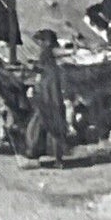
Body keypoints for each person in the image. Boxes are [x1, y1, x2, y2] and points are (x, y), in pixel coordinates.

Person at [25, 31, 71, 167]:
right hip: (52, 96)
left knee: (44, 127)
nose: (38, 44)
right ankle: (57, 159)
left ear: (45, 42)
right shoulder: (49, 56)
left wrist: (31, 67)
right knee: (51, 128)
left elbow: (42, 70)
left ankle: (50, 157)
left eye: (40, 41)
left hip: (48, 97)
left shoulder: (45, 54)